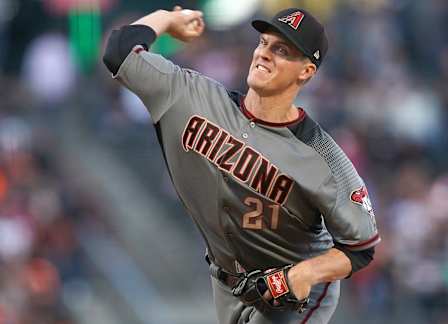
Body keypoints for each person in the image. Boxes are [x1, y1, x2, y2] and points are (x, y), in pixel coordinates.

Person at [103, 6, 380, 324]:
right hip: (225, 282)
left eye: (281, 50)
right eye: (263, 43)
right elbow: (119, 51)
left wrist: (306, 273)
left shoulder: (323, 156)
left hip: (290, 294)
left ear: (305, 72)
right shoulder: (191, 98)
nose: (264, 54)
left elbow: (360, 247)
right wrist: (166, 19)